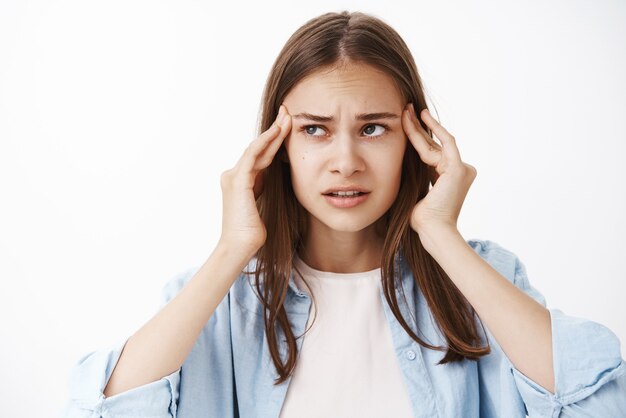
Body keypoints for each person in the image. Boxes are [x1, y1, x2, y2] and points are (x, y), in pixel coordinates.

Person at [61, 10, 626, 418]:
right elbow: (103, 411)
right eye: (314, 130)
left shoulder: (480, 280)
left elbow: (598, 403)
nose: (346, 163)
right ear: (277, 146)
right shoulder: (220, 300)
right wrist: (233, 247)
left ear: (416, 139)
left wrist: (441, 235)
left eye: (373, 128)